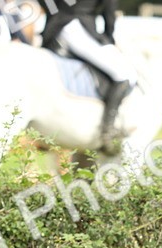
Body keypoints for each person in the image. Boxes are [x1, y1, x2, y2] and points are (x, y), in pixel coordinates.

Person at [41, 0, 137, 152]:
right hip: (78, 28)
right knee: (124, 74)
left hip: (53, 29)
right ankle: (108, 130)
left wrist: (56, 14)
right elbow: (109, 14)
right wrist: (108, 40)